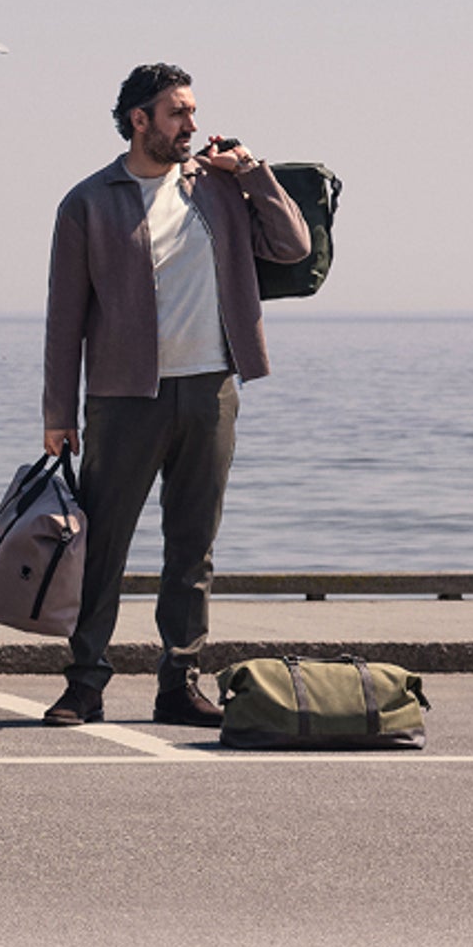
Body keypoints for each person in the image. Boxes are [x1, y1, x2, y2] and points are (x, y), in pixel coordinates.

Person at [39, 64, 312, 728]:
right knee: (104, 547)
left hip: (211, 388)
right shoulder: (88, 202)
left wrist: (251, 170)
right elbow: (64, 317)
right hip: (122, 398)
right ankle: (85, 683)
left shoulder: (219, 189)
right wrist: (58, 414)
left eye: (191, 113)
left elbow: (293, 244)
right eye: (177, 114)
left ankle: (180, 682)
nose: (191, 125)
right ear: (140, 120)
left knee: (192, 547)